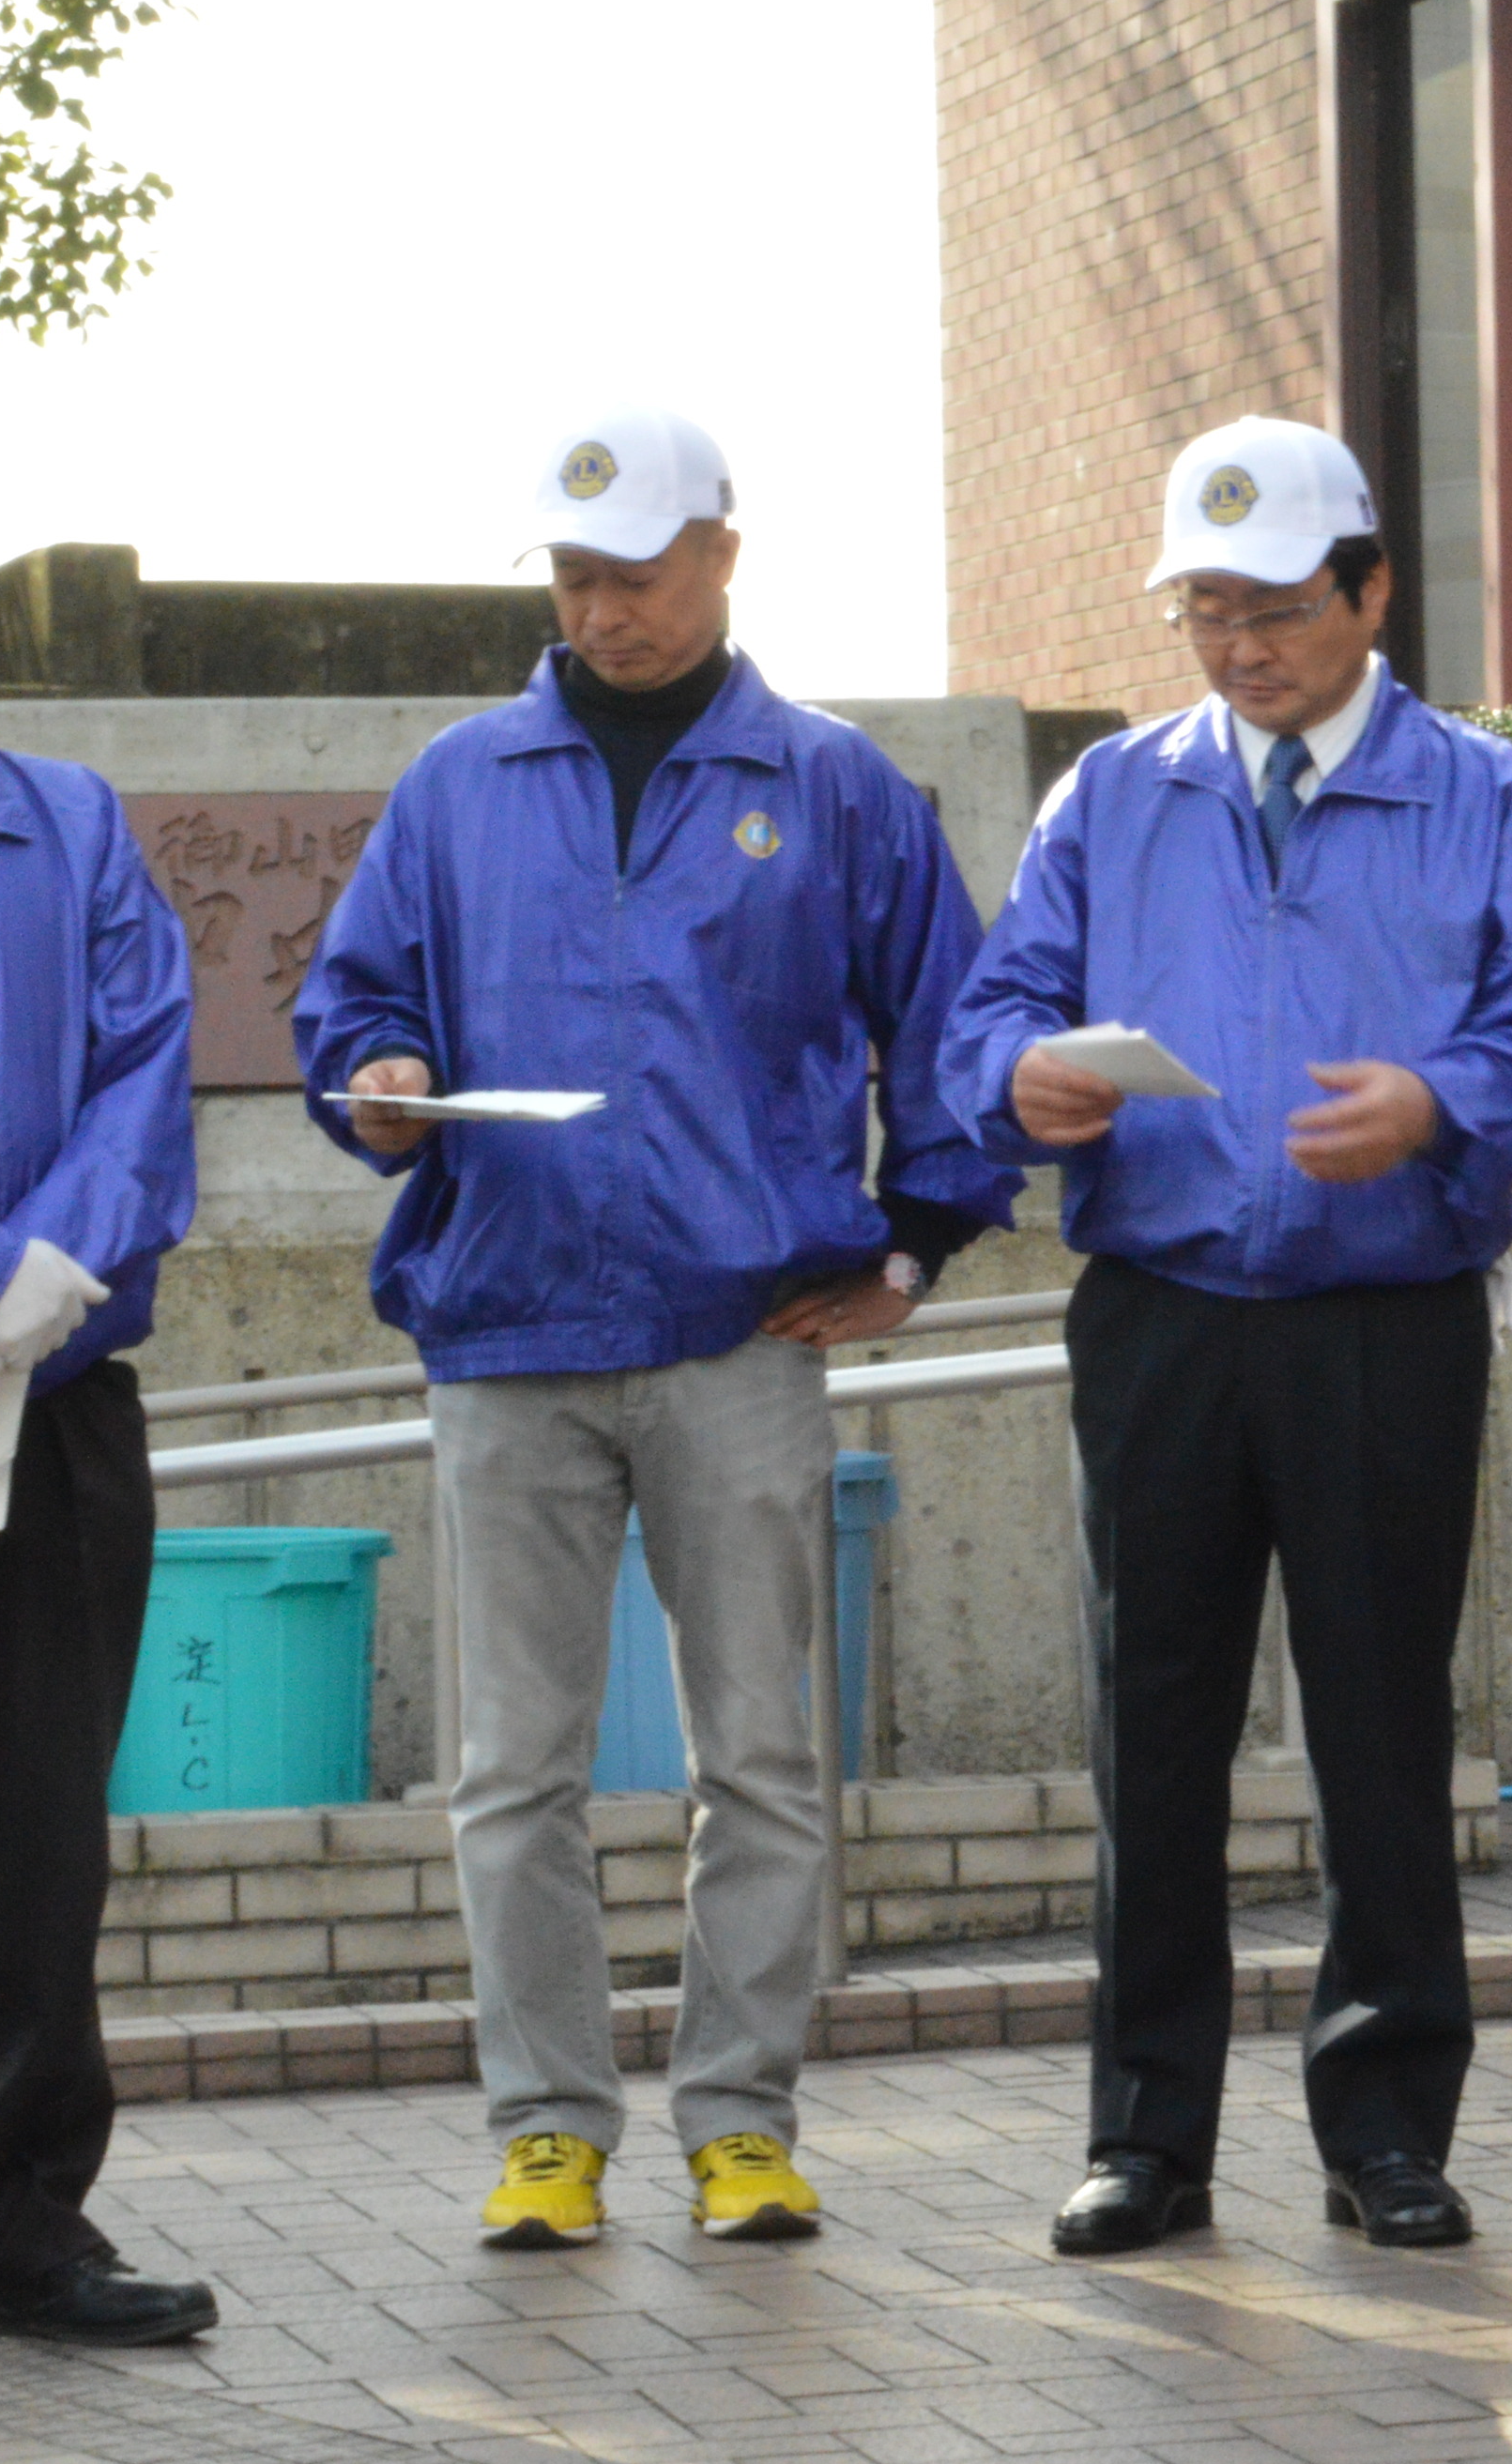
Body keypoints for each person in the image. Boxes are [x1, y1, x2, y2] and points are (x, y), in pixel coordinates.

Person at [295, 411, 1017, 2252]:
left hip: (738, 1334)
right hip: (507, 1329)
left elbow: (952, 1029)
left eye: (635, 571)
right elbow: (356, 1007)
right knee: (511, 1769)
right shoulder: (459, 785)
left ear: (723, 552)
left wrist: (922, 1245)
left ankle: (743, 2121)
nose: (603, 608)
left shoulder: (837, 787)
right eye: (572, 577)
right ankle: (547, 2128)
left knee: (758, 1757)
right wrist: (372, 1078)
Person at [940, 416, 1512, 2267]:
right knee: (1150, 1722)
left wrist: (1439, 1100)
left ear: (1372, 590)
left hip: (1387, 1322)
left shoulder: (1482, 796)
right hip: (1160, 1314)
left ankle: (1388, 2126)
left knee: (1384, 1726)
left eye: (1277, 612)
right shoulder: (1115, 797)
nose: (1241, 651)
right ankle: (1145, 2140)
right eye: (1208, 615)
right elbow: (995, 1004)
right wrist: (1022, 1078)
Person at [0, 437, 216, 2348]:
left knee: (36, 1840)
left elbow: (145, 1085)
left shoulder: (71, 822)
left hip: (54, 1404)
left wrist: (29, 1296)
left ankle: (23, 2232)